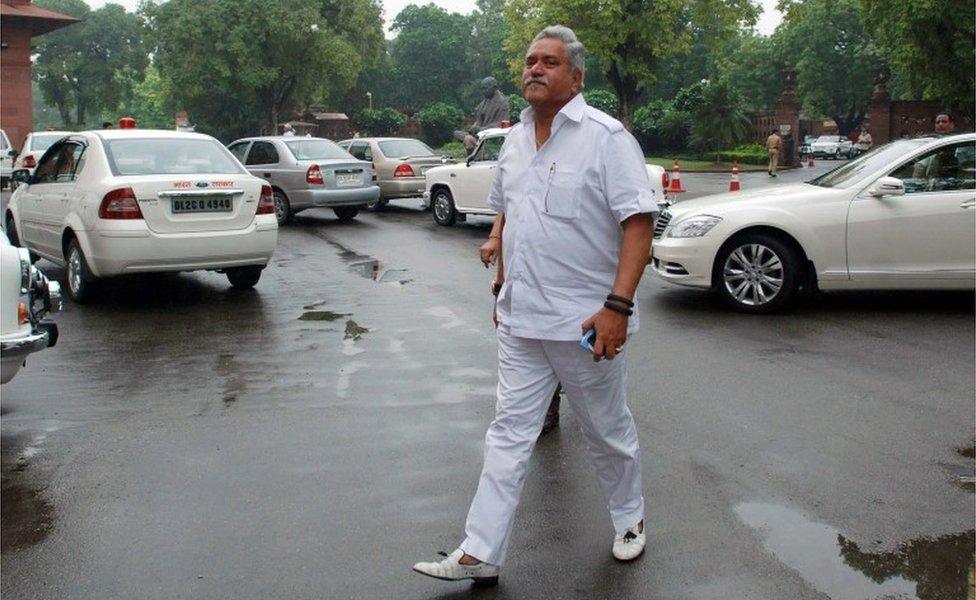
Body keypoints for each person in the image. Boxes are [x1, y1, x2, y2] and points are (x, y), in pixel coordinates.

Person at [413, 25, 655, 586]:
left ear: (576, 76)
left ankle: (629, 519)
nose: (534, 69)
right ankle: (481, 550)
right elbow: (509, 214)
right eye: (529, 60)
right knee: (507, 431)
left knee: (606, 431)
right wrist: (503, 284)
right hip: (521, 320)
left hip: (586, 324)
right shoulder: (515, 138)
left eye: (549, 61)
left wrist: (617, 307)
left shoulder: (606, 137)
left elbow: (638, 225)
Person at [455, 77, 511, 152]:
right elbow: (478, 121)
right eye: (482, 89)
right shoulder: (483, 103)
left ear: (494, 88)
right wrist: (473, 128)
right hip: (479, 135)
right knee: (456, 133)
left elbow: (501, 125)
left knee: (468, 139)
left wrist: (481, 129)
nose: (483, 91)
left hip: (492, 138)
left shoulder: (502, 103)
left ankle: (476, 151)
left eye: (485, 88)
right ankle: (474, 147)